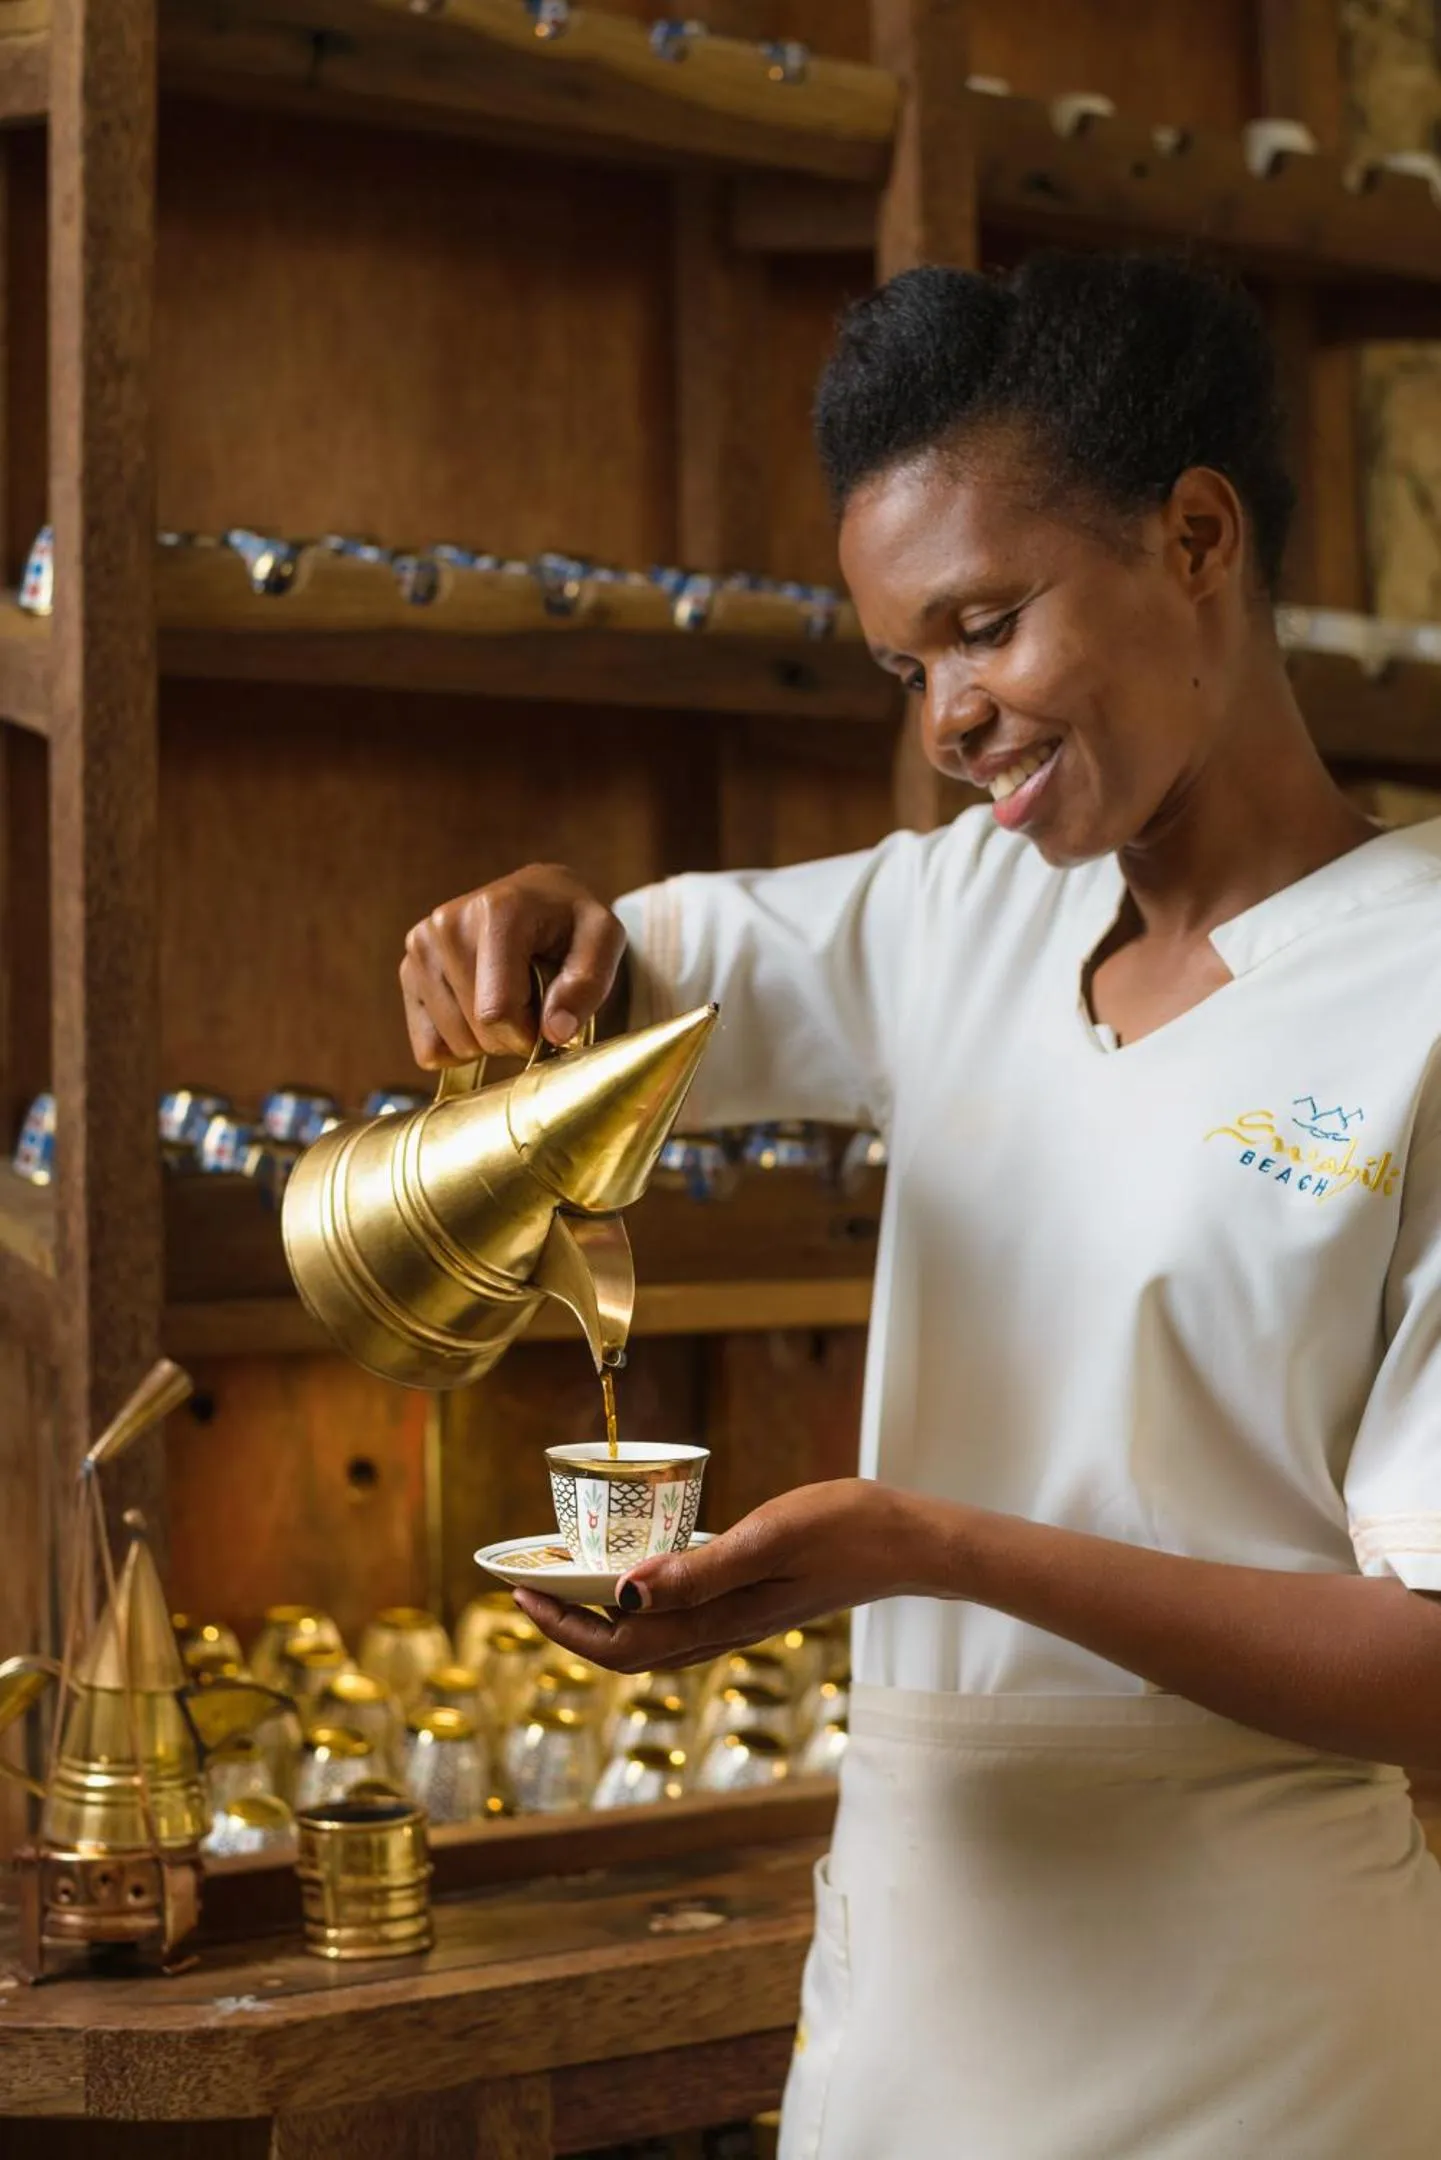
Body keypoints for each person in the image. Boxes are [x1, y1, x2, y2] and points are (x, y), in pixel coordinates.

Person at [400, 252, 1441, 2156]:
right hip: (913, 2014)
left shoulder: (1423, 985)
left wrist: (933, 1548)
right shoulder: (968, 907)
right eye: (908, 668)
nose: (950, 718)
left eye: (985, 625)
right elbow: (621, 973)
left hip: (1266, 2032)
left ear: (1195, 533)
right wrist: (536, 928)